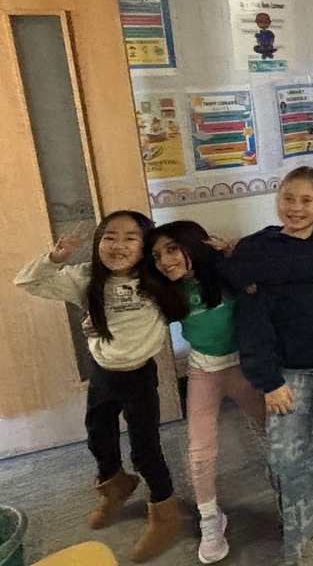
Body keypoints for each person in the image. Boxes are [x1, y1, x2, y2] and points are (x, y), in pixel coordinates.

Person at [14, 211, 187, 563]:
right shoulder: (87, 277)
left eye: (130, 238)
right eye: (110, 236)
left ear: (145, 246)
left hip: (139, 376)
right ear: (98, 243)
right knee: (97, 435)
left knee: (145, 450)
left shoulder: (157, 279)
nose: (118, 245)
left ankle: (166, 514)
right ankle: (116, 485)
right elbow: (27, 282)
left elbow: (196, 272)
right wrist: (56, 257)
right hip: (103, 373)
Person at [225, 167, 313, 565]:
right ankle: (301, 544)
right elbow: (249, 321)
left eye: (307, 200)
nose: (296, 208)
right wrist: (268, 381)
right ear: (277, 200)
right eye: (289, 198)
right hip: (286, 375)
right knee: (289, 459)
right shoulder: (259, 250)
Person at [146, 220, 265, 564]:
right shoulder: (165, 290)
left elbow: (271, 255)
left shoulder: (225, 275)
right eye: (156, 256)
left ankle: (291, 496)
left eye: (171, 249)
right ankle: (211, 519)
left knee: (273, 434)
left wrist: (233, 248)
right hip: (203, 372)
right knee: (199, 451)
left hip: (245, 367)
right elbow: (136, 321)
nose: (165, 261)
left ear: (192, 246)